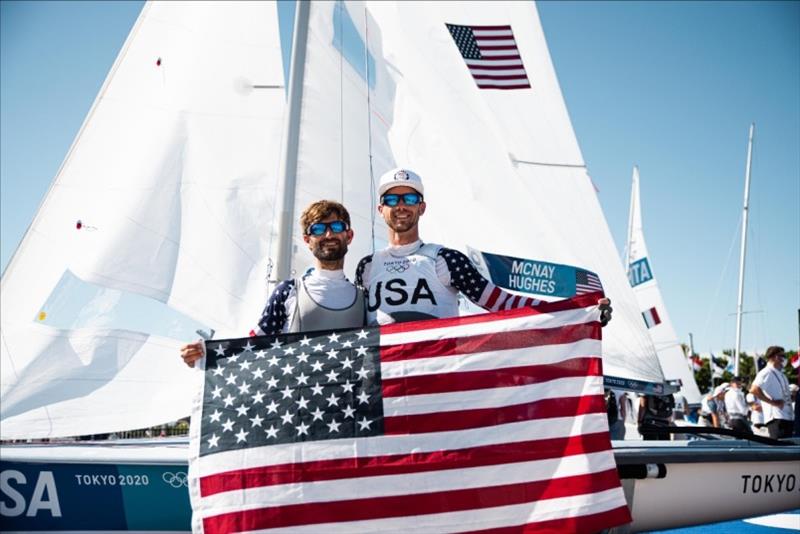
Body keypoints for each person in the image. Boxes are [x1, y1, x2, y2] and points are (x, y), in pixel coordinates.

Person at [355, 167, 612, 325]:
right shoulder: (366, 266)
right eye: (392, 199)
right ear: (381, 209)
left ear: (421, 208)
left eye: (410, 198)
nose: (401, 205)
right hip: (381, 382)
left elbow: (500, 301)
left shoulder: (445, 259)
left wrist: (579, 312)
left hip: (433, 379)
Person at [180, 200, 365, 367]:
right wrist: (205, 355)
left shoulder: (364, 298)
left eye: (337, 226)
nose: (328, 234)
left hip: (354, 403)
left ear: (349, 235)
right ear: (307, 240)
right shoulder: (288, 291)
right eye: (318, 229)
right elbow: (254, 345)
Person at [750, 346, 794, 439]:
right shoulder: (766, 372)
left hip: (787, 417)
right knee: (780, 449)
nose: (784, 358)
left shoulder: (781, 374)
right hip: (776, 418)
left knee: (788, 449)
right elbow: (754, 389)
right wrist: (772, 402)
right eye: (782, 355)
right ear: (775, 357)